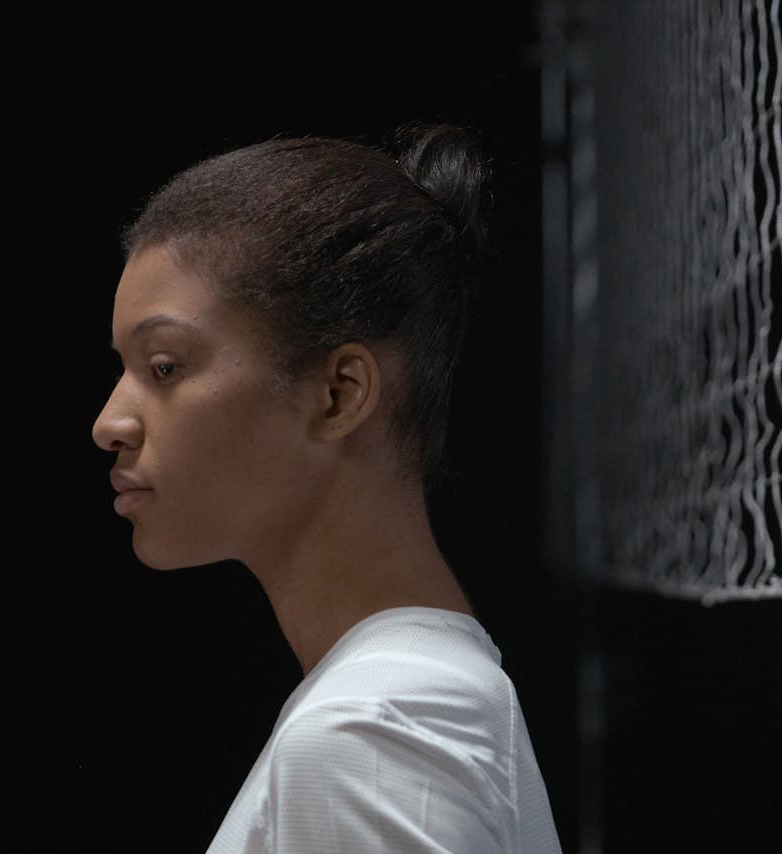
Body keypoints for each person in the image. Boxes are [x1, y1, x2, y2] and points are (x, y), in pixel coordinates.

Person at [92, 124, 563, 853]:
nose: (109, 423)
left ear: (340, 393)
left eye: (164, 367)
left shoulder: (374, 729)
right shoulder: (412, 698)